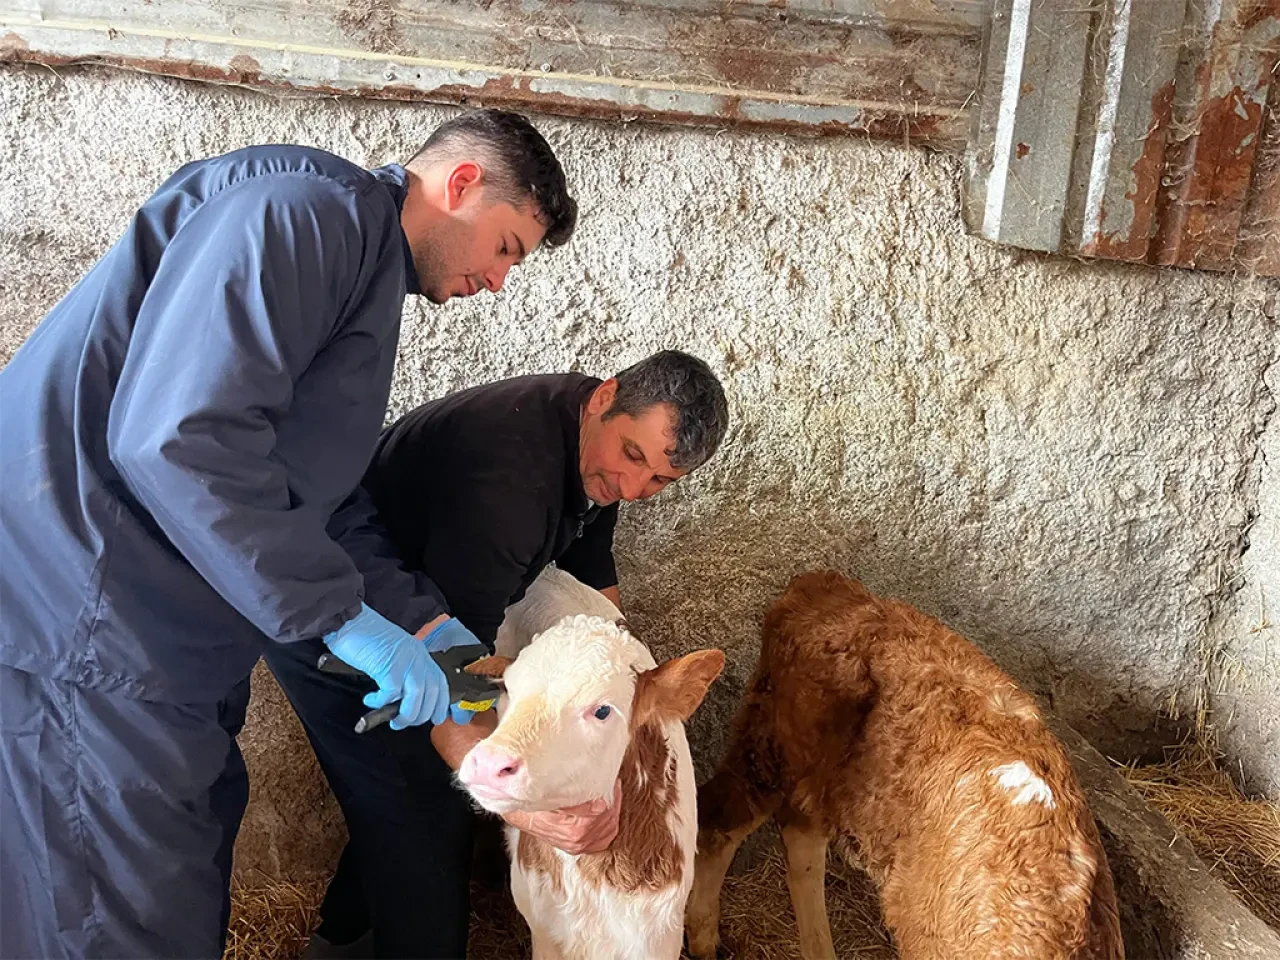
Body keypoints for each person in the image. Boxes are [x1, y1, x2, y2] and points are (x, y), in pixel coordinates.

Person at [0, 108, 576, 960]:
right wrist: (340, 618)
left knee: (162, 875)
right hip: (96, 618)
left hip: (163, 636)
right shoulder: (308, 216)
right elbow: (177, 440)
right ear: (461, 185)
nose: (497, 281)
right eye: (506, 248)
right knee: (120, 914)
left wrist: (418, 621)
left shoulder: (358, 265)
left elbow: (313, 492)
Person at [265, 350, 730, 958]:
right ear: (605, 397)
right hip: (340, 616)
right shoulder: (511, 486)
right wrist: (530, 815)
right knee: (425, 809)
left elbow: (591, 564)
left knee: (400, 795)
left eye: (661, 481)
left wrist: (616, 664)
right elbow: (453, 671)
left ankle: (342, 939)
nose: (634, 488)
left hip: (415, 601)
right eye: (634, 456)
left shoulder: (591, 442)